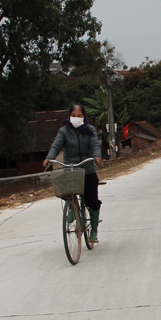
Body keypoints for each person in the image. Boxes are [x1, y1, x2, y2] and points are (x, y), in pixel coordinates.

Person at [43, 104, 103, 244]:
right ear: (69, 116)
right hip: (71, 169)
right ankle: (72, 207)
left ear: (84, 117)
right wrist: (48, 158)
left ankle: (93, 230)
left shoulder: (90, 130)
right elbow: (56, 145)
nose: (76, 118)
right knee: (65, 191)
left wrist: (97, 156)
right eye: (74, 115)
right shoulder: (64, 131)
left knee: (92, 200)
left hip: (88, 169)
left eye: (79, 115)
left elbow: (95, 144)